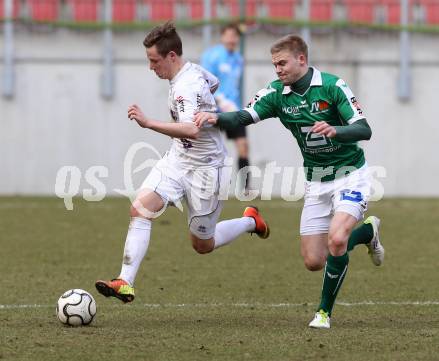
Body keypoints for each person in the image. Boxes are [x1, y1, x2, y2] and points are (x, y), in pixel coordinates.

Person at [194, 34, 385, 329]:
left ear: (302, 60)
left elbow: (364, 129)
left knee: (336, 239)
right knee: (314, 261)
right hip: (316, 181)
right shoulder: (276, 94)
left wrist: (336, 130)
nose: (278, 69)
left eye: (282, 63)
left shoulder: (333, 86)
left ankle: (323, 313)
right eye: (275, 65)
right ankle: (367, 231)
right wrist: (214, 117)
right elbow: (243, 117)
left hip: (351, 176)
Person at [95, 22, 269, 303]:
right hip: (177, 161)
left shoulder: (183, 88)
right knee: (140, 209)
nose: (151, 67)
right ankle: (124, 281)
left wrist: (148, 122)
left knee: (203, 244)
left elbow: (191, 130)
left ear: (172, 56)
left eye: (154, 61)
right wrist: (207, 105)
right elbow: (215, 82)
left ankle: (250, 221)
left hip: (207, 169)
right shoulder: (194, 72)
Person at [200, 23, 250, 191]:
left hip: (233, 110)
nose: (231, 39)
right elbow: (204, 82)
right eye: (228, 35)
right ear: (222, 37)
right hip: (213, 110)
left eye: (234, 36)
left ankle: (246, 187)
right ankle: (204, 185)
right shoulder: (211, 56)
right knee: (209, 150)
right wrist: (220, 100)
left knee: (243, 145)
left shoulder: (238, 59)